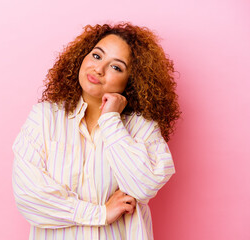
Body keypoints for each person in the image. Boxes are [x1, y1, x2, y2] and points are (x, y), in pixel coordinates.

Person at [12, 22, 181, 240]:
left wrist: (111, 120)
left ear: (132, 81)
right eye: (97, 56)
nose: (98, 69)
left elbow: (143, 186)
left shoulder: (142, 128)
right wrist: (100, 213)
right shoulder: (45, 118)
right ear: (82, 56)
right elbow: (29, 196)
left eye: (116, 67)